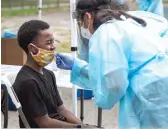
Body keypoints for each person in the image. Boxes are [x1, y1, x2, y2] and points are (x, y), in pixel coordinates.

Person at [56, 0, 168, 129]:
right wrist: (77, 66)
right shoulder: (125, 23)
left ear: (87, 17)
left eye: (81, 22)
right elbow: (114, 70)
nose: (82, 26)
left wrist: (103, 99)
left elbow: (114, 83)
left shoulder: (105, 33)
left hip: (148, 94)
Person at [13, 20, 95, 128]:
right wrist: (79, 128)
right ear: (32, 48)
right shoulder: (28, 82)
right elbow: (44, 123)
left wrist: (82, 125)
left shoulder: (48, 74)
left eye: (53, 41)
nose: (53, 47)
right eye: (48, 42)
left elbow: (61, 109)